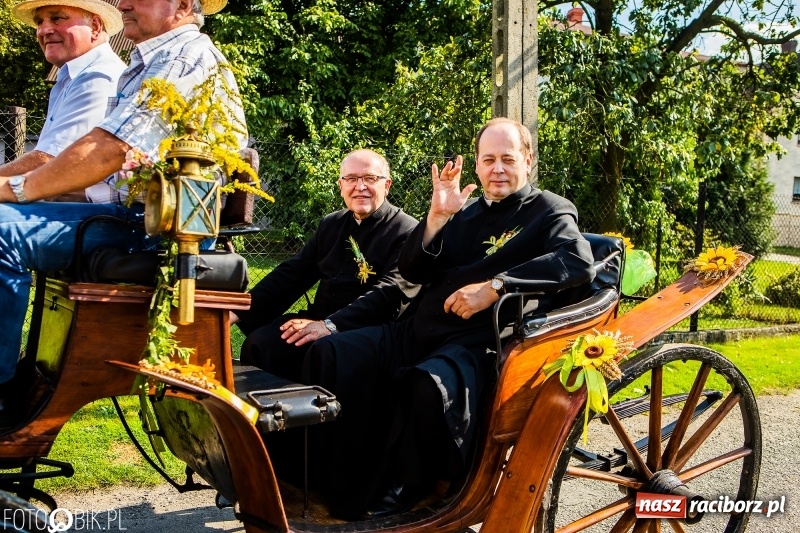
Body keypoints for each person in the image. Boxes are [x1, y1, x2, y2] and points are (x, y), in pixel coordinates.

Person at [302, 117, 596, 519]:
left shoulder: (550, 209)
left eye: (507, 159)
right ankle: (333, 479)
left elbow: (577, 261)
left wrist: (497, 285)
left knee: (426, 384)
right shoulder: (463, 211)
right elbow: (411, 271)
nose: (497, 169)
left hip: (478, 341)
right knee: (332, 352)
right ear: (476, 164)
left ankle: (413, 484)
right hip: (417, 329)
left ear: (528, 160)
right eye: (488, 159)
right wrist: (437, 218)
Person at [0, 0, 245, 422]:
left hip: (160, 230)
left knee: (3, 232)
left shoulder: (184, 57)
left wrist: (17, 189)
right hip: (136, 217)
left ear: (183, 5)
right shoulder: (151, 60)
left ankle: (1, 393)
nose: (125, 3)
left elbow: (111, 149)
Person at [234, 149, 420, 382]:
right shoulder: (332, 224)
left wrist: (330, 325)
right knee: (263, 343)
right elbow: (292, 274)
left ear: (387, 185)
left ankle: (319, 417)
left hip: (372, 331)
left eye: (370, 178)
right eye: (351, 179)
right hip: (320, 320)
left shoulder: (408, 231)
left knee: (326, 352)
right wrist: (237, 312)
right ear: (341, 185)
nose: (359, 186)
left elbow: (390, 295)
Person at [1, 0, 126, 195]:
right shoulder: (73, 76)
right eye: (39, 22)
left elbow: (50, 160)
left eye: (57, 18)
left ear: (95, 26)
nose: (44, 30)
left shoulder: (98, 77)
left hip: (88, 215)